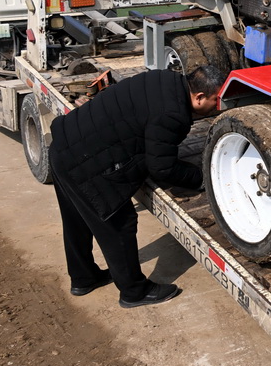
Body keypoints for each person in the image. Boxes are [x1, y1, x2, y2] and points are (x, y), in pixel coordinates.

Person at [49, 65, 222, 308]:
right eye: (216, 101)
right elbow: (162, 167)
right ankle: (133, 291)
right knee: (119, 224)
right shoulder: (174, 114)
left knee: (76, 220)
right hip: (86, 162)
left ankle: (83, 278)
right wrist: (203, 178)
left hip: (66, 143)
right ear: (199, 96)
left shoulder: (165, 78)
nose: (218, 107)